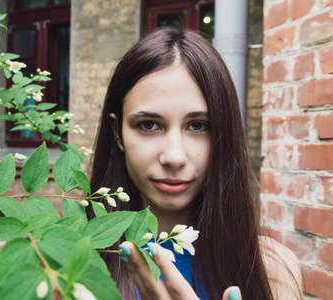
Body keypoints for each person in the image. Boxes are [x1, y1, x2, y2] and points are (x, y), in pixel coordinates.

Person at [89, 28, 302, 300]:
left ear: (224, 132)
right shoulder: (68, 264)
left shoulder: (272, 272)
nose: (174, 156)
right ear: (117, 132)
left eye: (199, 126)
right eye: (149, 125)